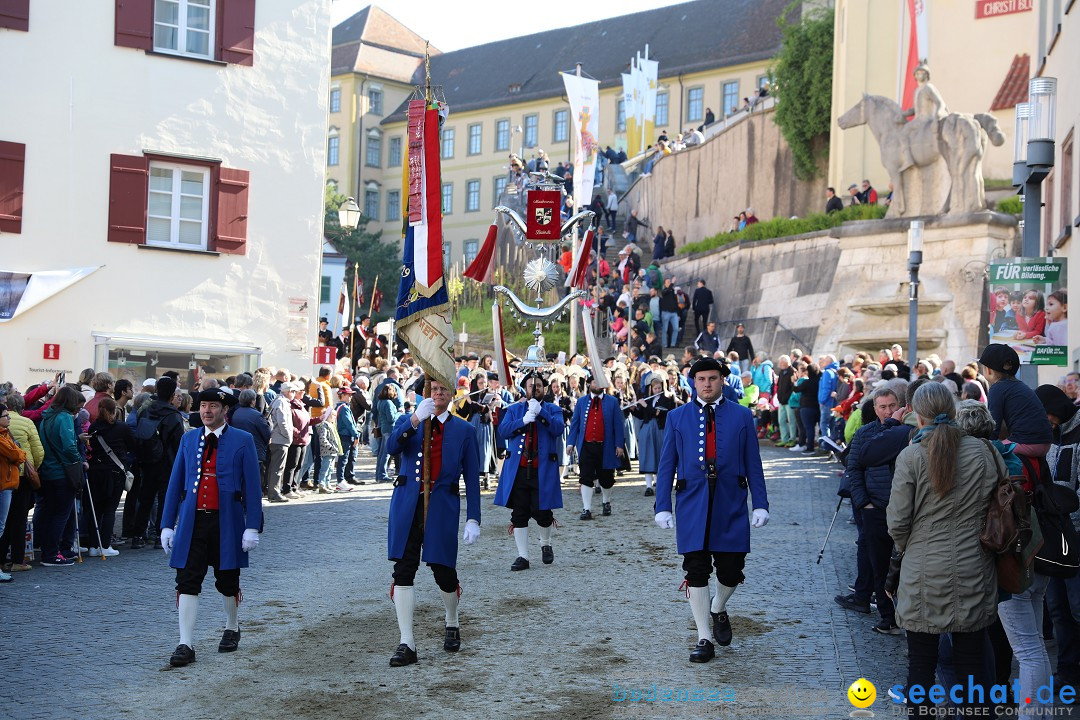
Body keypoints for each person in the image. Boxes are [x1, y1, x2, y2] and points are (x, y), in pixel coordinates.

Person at [886, 383, 1000, 715]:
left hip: (922, 570)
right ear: (952, 410)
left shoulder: (911, 456)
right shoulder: (984, 452)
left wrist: (913, 547)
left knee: (920, 664)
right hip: (974, 568)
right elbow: (998, 503)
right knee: (971, 663)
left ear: (917, 415)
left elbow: (897, 522)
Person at [654, 357, 769, 663]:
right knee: (696, 570)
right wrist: (662, 505)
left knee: (732, 570)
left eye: (712, 378)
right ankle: (704, 636)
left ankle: (718, 607)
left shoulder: (743, 416)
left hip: (731, 501)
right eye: (701, 379)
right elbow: (667, 465)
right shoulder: (677, 417)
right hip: (692, 503)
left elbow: (754, 463)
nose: (707, 384)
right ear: (694, 382)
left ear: (722, 381)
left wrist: (761, 503)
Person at [159, 387, 263, 667]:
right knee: (187, 581)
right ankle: (185, 643)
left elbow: (252, 487)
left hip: (227, 523)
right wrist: (167, 524)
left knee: (227, 581)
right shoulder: (188, 439)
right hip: (192, 522)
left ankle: (232, 626)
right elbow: (175, 484)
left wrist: (252, 525)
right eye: (203, 405)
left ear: (225, 410)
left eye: (213, 406)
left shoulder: (243, 440)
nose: (206, 411)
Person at [384, 378, 481, 666]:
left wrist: (473, 517)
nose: (437, 394)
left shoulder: (464, 429)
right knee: (403, 569)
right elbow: (391, 447)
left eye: (442, 390)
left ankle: (452, 620)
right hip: (407, 506)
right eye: (433, 390)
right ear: (425, 393)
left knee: (443, 570)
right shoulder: (409, 420)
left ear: (452, 395)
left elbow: (472, 479)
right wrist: (414, 419)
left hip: (442, 507)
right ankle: (406, 642)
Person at [836, 389, 912, 635]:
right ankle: (887, 617)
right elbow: (854, 468)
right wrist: (863, 503)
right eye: (883, 407)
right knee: (879, 565)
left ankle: (906, 616)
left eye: (892, 406)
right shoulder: (865, 433)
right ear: (875, 409)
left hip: (904, 508)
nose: (888, 411)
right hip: (875, 508)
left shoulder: (907, 432)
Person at [494, 373, 565, 571]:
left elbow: (558, 428)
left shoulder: (553, 409)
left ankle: (545, 543)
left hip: (542, 471)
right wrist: (523, 421)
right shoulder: (515, 409)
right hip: (519, 470)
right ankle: (523, 556)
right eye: (532, 386)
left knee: (543, 512)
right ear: (524, 388)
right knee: (519, 513)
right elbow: (504, 431)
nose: (536, 389)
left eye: (540, 386)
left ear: (545, 388)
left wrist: (541, 413)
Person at [131, 377, 186, 549]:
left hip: (147, 460)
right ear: (172, 395)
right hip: (167, 462)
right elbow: (179, 444)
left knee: (145, 498)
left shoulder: (145, 410)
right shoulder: (174, 416)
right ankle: (159, 535)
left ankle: (138, 535)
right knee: (165, 499)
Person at [37, 386, 85, 566]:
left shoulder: (46, 417)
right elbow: (68, 446)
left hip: (48, 470)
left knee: (50, 513)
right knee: (60, 515)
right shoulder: (64, 417)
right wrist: (77, 461)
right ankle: (51, 554)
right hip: (62, 472)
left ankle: (48, 550)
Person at [567, 376, 625, 520]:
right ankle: (586, 508)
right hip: (586, 446)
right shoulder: (581, 402)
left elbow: (619, 425)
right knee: (585, 477)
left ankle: (606, 502)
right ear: (590, 384)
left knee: (606, 478)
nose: (597, 384)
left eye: (599, 382)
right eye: (594, 382)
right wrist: (570, 443)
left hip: (606, 446)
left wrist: (619, 445)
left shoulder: (612, 402)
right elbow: (575, 424)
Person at [86, 397, 134, 558]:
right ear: (115, 410)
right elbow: (132, 445)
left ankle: (93, 545)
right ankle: (105, 545)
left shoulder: (93, 427)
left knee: (96, 510)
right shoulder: (122, 427)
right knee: (110, 509)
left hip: (96, 472)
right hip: (115, 472)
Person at [631, 373, 676, 497]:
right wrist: (634, 410)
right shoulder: (649, 399)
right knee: (647, 456)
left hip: (660, 430)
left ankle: (659, 483)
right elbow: (643, 415)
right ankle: (648, 486)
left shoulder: (667, 399)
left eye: (659, 388)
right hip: (647, 430)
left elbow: (659, 414)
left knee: (659, 455)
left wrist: (646, 406)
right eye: (655, 388)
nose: (657, 390)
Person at [0, 404, 26, 582]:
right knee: (0, 527)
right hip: (3, 484)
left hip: (6, 483)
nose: (8, 418)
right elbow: (18, 455)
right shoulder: (2, 438)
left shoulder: (5, 435)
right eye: (4, 415)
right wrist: (20, 452)